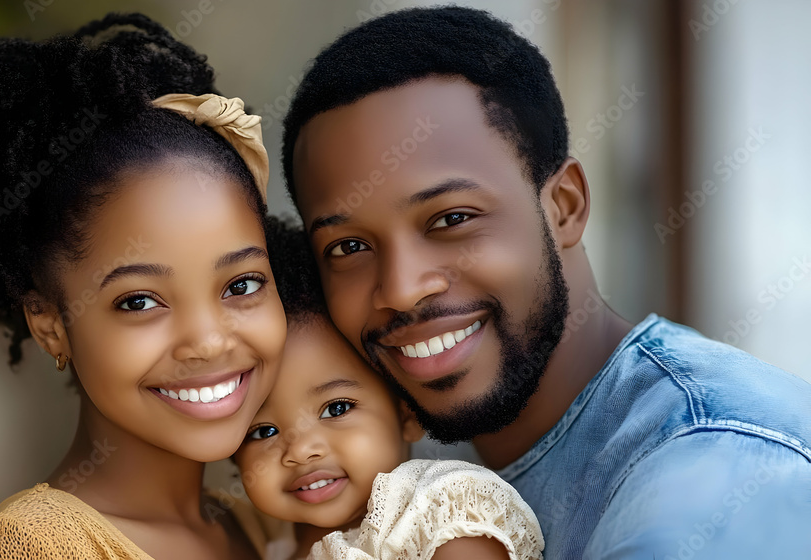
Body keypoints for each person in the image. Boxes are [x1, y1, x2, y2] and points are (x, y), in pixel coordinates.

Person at [279, 6, 811, 558]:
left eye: (452, 219)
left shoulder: (716, 465)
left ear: (564, 206)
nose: (402, 288)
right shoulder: (417, 481)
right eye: (349, 248)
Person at [0, 13, 286, 559]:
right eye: (139, 301)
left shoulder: (259, 525)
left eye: (242, 284)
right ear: (50, 326)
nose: (208, 340)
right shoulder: (38, 546)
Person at [232, 219, 544, 560]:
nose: (302, 450)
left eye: (336, 409)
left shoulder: (440, 514)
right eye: (264, 431)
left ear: (406, 409)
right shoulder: (263, 546)